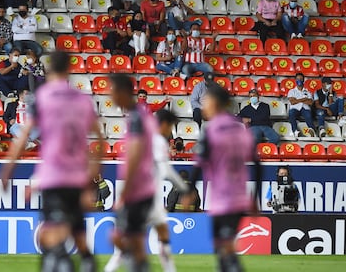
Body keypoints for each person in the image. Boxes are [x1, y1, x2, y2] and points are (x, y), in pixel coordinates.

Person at [0, 51, 103, 272]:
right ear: (69, 69)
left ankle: (62, 263)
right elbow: (100, 140)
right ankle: (86, 262)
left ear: (48, 71)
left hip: (53, 178)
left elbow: (24, 136)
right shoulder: (81, 99)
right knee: (77, 232)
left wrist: (8, 169)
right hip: (77, 178)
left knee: (52, 237)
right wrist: (91, 174)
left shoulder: (43, 98)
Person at [183, 82, 260, 272]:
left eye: (206, 101)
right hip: (240, 199)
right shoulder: (241, 130)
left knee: (225, 251)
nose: (204, 106)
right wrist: (254, 197)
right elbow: (257, 164)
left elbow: (199, 165)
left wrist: (189, 191)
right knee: (222, 251)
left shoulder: (212, 131)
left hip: (223, 201)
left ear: (215, 103)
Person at [105, 109, 188, 272]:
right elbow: (165, 170)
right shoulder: (156, 140)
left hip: (147, 197)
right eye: (170, 127)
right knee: (143, 239)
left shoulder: (145, 137)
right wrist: (185, 188)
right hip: (148, 198)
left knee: (161, 235)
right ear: (164, 124)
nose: (170, 131)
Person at [109, 74, 157, 272]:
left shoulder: (137, 117)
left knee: (117, 236)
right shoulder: (138, 116)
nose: (110, 96)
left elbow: (136, 155)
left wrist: (125, 191)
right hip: (144, 187)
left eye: (111, 91)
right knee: (136, 241)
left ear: (121, 92)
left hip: (137, 189)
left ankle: (136, 265)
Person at [288, 72, 316, 138]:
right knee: (291, 113)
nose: (299, 80)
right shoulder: (292, 91)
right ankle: (295, 131)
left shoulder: (307, 91)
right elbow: (292, 102)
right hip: (295, 108)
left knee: (308, 114)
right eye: (297, 79)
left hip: (305, 108)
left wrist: (297, 100)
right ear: (295, 80)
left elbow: (310, 102)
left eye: (301, 79)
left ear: (303, 80)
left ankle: (312, 130)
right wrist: (304, 99)